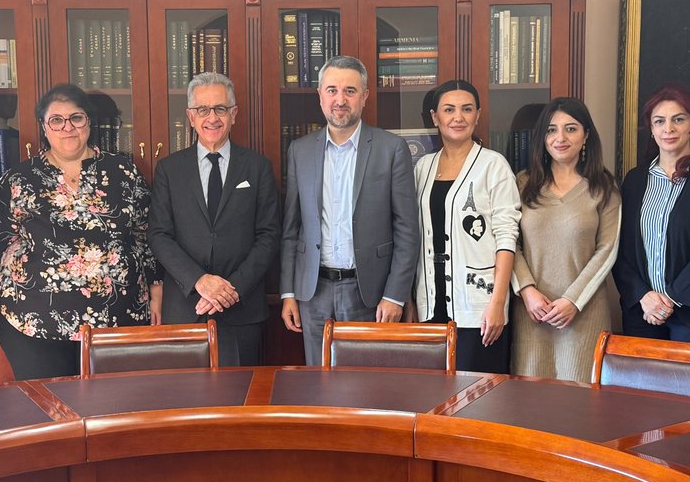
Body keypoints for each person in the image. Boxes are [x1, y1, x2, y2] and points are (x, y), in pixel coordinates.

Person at [0, 84, 161, 380]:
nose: (68, 128)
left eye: (76, 118)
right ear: (44, 126)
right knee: (50, 413)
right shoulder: (18, 179)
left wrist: (157, 292)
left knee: (109, 411)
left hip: (116, 316)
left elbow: (145, 233)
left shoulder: (123, 171)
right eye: (57, 120)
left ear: (88, 122)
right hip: (33, 319)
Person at [280, 55, 418, 366]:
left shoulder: (390, 149)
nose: (340, 100)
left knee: (366, 387)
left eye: (350, 91)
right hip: (312, 292)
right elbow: (291, 229)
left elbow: (407, 230)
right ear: (320, 96)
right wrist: (288, 292)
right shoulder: (299, 150)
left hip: (368, 291)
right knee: (318, 383)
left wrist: (396, 295)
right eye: (332, 90)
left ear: (365, 96)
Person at [148, 72, 280, 366]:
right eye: (202, 110)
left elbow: (269, 236)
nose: (212, 117)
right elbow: (159, 235)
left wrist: (230, 290)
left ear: (233, 114)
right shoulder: (169, 169)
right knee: (188, 401)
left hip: (241, 309)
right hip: (185, 307)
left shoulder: (257, 168)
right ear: (190, 117)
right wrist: (200, 282)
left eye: (220, 108)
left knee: (240, 400)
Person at [410, 81, 520, 373]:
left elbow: (507, 238)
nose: (458, 117)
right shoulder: (423, 167)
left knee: (477, 400)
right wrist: (411, 301)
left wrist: (498, 303)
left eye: (466, 109)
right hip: (430, 305)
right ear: (435, 117)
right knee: (433, 398)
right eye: (449, 110)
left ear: (478, 115)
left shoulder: (494, 166)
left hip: (479, 308)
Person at [613, 85, 690, 344]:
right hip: (641, 311)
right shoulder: (635, 181)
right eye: (660, 121)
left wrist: (672, 299)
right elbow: (621, 249)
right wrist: (643, 295)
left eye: (678, 119)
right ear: (652, 129)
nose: (668, 128)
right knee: (639, 385)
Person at [511, 97, 620, 382]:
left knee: (580, 405)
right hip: (532, 312)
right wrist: (527, 290)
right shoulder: (523, 183)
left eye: (570, 129)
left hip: (583, 313)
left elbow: (607, 250)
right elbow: (510, 243)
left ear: (585, 136)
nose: (560, 138)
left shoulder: (604, 188)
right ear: (542, 139)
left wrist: (573, 300)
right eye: (551, 130)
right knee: (530, 401)